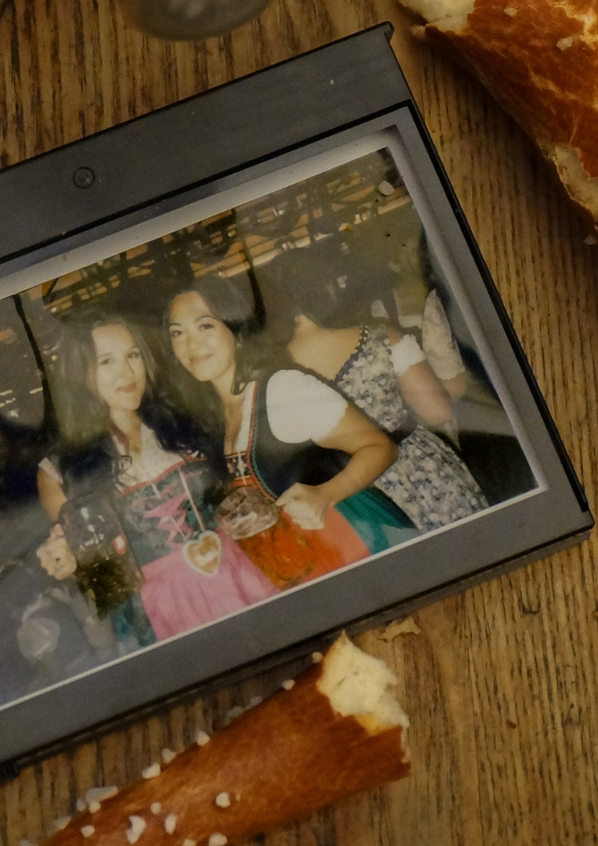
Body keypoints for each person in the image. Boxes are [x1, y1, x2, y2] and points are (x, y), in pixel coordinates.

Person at [35, 314, 278, 643]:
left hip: (241, 574)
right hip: (162, 610)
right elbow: (81, 555)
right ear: (79, 374)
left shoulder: (184, 420)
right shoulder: (58, 471)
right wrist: (64, 557)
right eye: (107, 361)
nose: (127, 372)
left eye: (133, 355)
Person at [163, 276, 415, 586]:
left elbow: (380, 447)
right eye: (178, 333)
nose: (191, 344)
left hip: (351, 541)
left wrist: (325, 494)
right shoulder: (213, 416)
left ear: (236, 328)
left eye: (205, 326)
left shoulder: (284, 391)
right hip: (293, 566)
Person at [261, 248, 488, 531]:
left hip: (349, 494)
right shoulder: (382, 338)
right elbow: (437, 411)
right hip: (418, 470)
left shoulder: (275, 372)